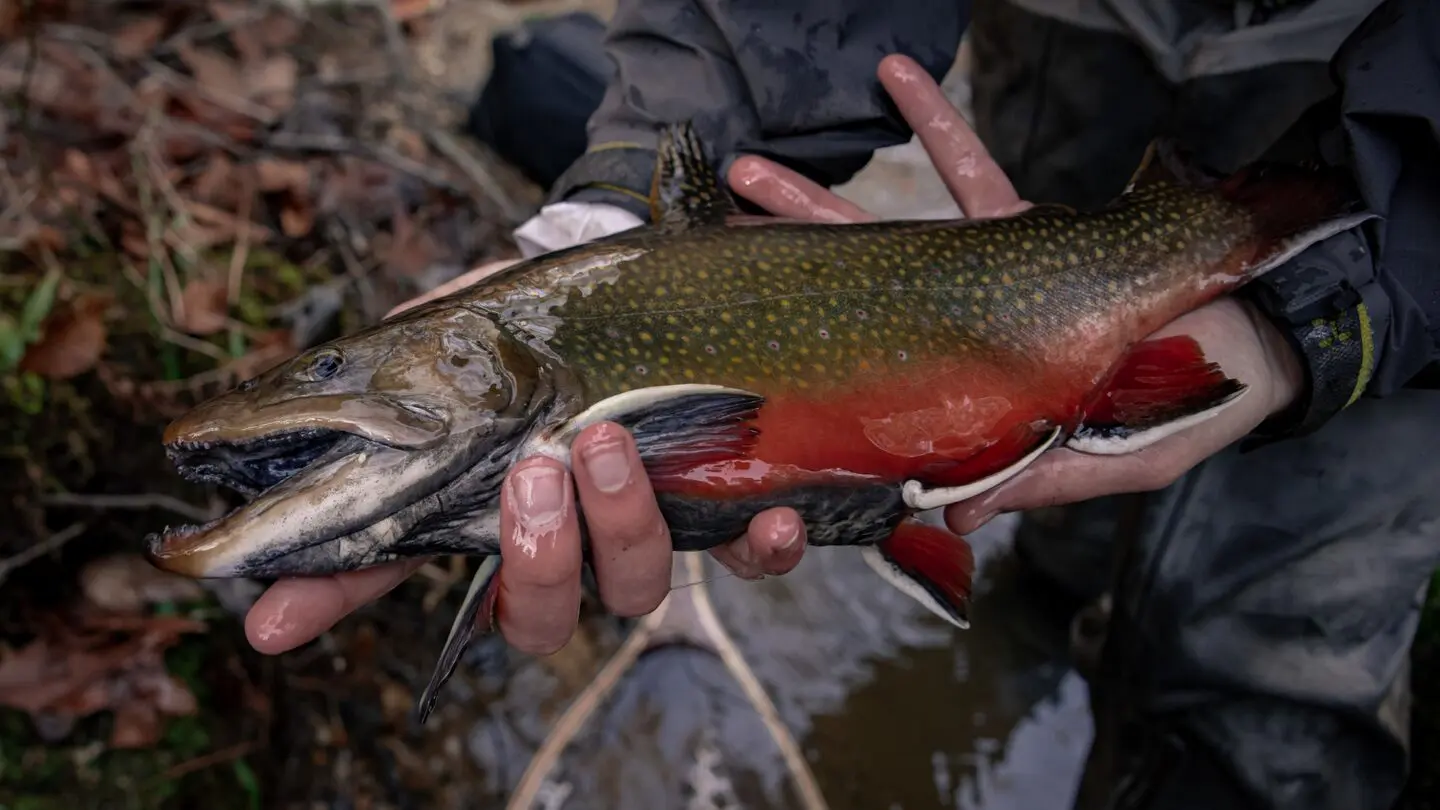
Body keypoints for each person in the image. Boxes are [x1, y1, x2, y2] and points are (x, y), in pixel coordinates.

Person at [243, 0, 1440, 806]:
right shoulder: (515, 362)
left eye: (336, 374)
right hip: (1086, 22)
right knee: (1060, 483)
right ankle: (1047, 612)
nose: (329, 388)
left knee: (1270, 659)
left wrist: (1334, 298)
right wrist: (622, 202)